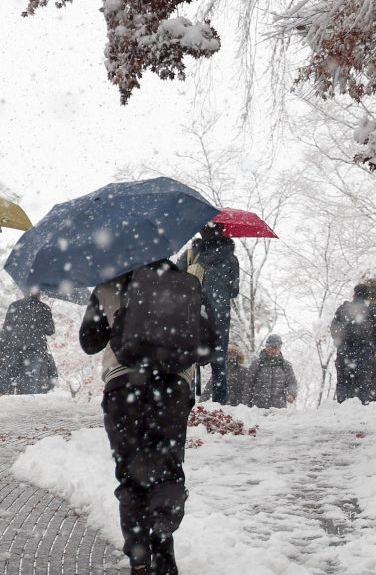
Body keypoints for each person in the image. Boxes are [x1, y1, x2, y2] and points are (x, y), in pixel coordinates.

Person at [79, 255, 215, 575]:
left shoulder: (108, 286)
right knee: (167, 469)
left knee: (131, 475)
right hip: (172, 390)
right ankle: (163, 539)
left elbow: (89, 343)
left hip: (123, 389)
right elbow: (209, 347)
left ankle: (140, 558)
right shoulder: (187, 286)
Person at [190, 223, 239, 404]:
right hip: (220, 316)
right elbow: (234, 291)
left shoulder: (193, 255)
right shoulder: (231, 259)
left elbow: (178, 278)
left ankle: (189, 401)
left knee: (190, 357)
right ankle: (220, 404)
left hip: (196, 313)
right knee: (219, 361)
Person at [330, 283, 376, 405]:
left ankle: (342, 408)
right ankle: (361, 411)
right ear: (368, 296)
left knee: (343, 383)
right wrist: (371, 347)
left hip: (344, 353)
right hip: (364, 353)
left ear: (354, 294)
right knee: (363, 386)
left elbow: (334, 329)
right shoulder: (374, 311)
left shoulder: (343, 309)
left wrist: (341, 344)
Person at [0, 292, 59, 395]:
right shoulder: (44, 308)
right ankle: (27, 401)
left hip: (14, 348)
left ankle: (7, 400)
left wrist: (2, 348)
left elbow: (6, 329)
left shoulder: (14, 306)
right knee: (30, 381)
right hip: (35, 349)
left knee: (10, 379)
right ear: (39, 293)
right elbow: (50, 331)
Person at [245, 335, 298, 409]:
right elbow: (248, 385)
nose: (273, 351)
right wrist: (246, 406)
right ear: (266, 347)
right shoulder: (257, 364)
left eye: (276, 348)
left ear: (280, 348)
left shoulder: (285, 365)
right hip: (258, 409)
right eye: (271, 347)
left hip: (279, 409)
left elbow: (292, 382)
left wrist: (291, 394)